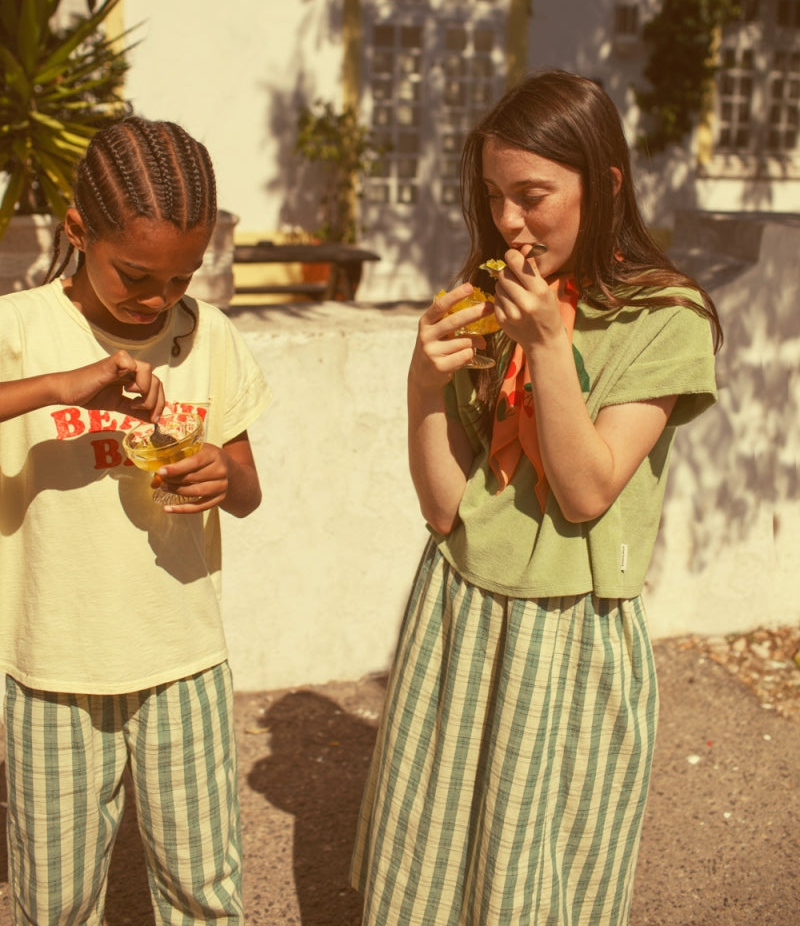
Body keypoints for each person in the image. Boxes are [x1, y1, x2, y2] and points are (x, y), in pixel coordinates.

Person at [351, 70, 720, 926]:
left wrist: (550, 349)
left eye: (533, 195)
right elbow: (446, 510)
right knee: (431, 856)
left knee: (536, 873)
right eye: (493, 196)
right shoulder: (485, 304)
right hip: (458, 608)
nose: (509, 222)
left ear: (607, 185)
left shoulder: (667, 318)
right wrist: (419, 385)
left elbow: (589, 490)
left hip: (569, 628)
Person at [0, 117, 271, 924]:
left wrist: (224, 474)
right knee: (56, 897)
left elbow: (250, 486)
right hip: (51, 667)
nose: (159, 300)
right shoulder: (18, 328)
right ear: (78, 232)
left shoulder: (210, 339)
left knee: (203, 887)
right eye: (136, 276)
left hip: (181, 655)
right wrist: (59, 387)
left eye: (182, 279)